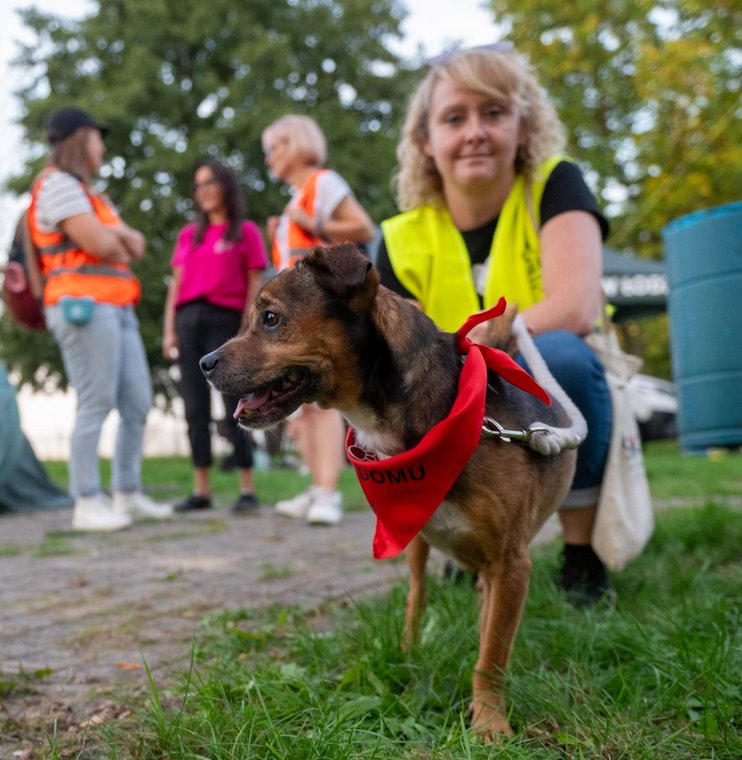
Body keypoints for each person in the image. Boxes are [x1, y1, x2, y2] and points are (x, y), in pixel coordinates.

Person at [377, 44, 614, 605]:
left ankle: (581, 554)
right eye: (454, 118)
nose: (475, 132)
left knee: (564, 357)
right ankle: (467, 540)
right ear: (425, 141)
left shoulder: (555, 184)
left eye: (494, 113)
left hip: (545, 374)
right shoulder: (398, 236)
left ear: (523, 125)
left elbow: (577, 306)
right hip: (454, 390)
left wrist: (491, 336)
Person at [27, 107, 172, 531]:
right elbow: (103, 245)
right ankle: (87, 501)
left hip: (117, 308)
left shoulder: (91, 197)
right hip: (83, 307)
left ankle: (126, 494)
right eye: (97, 138)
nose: (102, 147)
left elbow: (136, 246)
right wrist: (116, 238)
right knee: (96, 402)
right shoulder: (57, 186)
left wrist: (118, 237)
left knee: (136, 403)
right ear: (79, 140)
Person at [261, 114, 376, 525]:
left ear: (294, 145)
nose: (269, 157)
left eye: (273, 147)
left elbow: (362, 227)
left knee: (320, 402)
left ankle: (328, 494)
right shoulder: (295, 199)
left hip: (320, 310)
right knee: (301, 404)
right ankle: (316, 488)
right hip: (295, 313)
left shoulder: (322, 183)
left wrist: (314, 223)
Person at [162, 160, 268, 513]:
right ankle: (201, 490)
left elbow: (256, 283)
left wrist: (247, 330)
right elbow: (175, 287)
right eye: (198, 185)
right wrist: (168, 331)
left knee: (234, 404)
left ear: (225, 186)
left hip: (227, 322)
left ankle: (247, 487)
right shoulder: (188, 236)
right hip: (188, 320)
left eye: (209, 182)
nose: (203, 189)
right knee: (194, 407)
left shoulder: (246, 232)